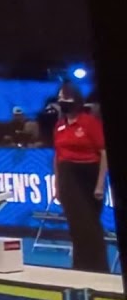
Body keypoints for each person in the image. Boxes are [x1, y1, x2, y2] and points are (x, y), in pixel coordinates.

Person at [52, 84, 109, 272]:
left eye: (65, 98)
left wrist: (100, 184)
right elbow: (58, 156)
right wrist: (57, 185)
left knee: (90, 224)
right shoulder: (59, 125)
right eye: (59, 98)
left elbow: (103, 152)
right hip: (68, 177)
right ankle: (80, 266)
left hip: (88, 175)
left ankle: (98, 267)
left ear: (75, 100)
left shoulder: (89, 122)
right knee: (76, 224)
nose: (61, 101)